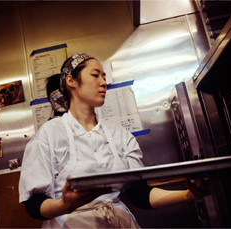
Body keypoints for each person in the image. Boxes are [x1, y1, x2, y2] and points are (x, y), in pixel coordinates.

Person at [18, 53, 210, 228]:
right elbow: (34, 204)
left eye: (104, 77)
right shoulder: (48, 136)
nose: (104, 82)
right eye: (96, 75)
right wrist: (63, 205)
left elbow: (140, 194)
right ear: (71, 81)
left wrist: (187, 195)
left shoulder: (119, 135)